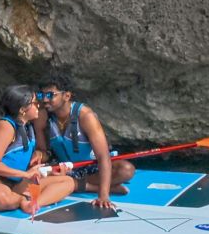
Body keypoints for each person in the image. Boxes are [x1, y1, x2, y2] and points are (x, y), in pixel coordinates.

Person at [0, 84, 74, 214]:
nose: (39, 106)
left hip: (16, 183)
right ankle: (21, 200)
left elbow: (18, 158)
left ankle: (32, 203)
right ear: (23, 109)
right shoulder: (5, 127)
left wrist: (41, 170)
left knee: (68, 182)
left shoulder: (26, 126)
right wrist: (25, 175)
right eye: (35, 103)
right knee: (1, 199)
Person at [33, 75, 135, 209]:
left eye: (51, 95)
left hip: (91, 168)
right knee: (33, 178)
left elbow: (103, 156)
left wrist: (103, 195)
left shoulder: (86, 116)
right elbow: (44, 151)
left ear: (67, 96)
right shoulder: (41, 115)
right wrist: (39, 156)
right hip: (64, 169)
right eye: (42, 95)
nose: (45, 100)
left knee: (126, 170)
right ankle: (88, 186)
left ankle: (76, 185)